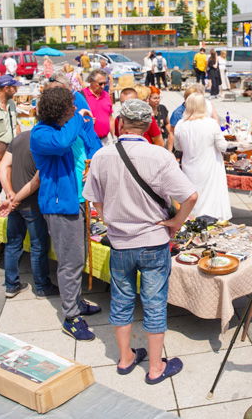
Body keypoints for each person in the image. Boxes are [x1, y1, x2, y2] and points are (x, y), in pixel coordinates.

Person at [83, 99, 198, 385]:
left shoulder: (102, 155)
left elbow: (94, 199)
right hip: (153, 241)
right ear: (148, 125)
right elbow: (190, 196)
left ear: (120, 122)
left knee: (120, 300)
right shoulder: (159, 156)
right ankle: (156, 367)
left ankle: (125, 358)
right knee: (154, 302)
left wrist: (109, 218)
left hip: (120, 242)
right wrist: (176, 222)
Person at [30, 86, 102, 341]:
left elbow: (89, 148)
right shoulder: (41, 133)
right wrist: (77, 118)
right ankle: (71, 317)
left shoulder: (67, 128)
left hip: (78, 201)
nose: (74, 108)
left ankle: (77, 301)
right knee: (70, 263)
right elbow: (61, 145)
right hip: (61, 206)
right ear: (59, 110)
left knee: (78, 258)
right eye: (70, 106)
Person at [0, 128, 57, 299]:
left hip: (17, 202)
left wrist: (10, 193)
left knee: (13, 244)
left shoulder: (20, 137)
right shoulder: (44, 140)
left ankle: (11, 284)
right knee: (38, 246)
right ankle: (41, 285)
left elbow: (3, 165)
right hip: (31, 203)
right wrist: (13, 198)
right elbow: (37, 179)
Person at [174, 94, 232, 221]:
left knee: (193, 196)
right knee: (211, 196)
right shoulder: (211, 124)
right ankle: (212, 220)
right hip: (209, 165)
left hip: (189, 165)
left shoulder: (180, 124)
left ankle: (192, 219)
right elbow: (222, 146)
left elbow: (178, 147)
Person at [82, 70, 114, 145]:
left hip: (105, 140)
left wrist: (114, 137)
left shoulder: (106, 95)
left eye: (105, 83)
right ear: (91, 81)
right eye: (100, 84)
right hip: (89, 140)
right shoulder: (82, 96)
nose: (103, 86)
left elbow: (110, 117)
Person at [147, 86, 172, 151]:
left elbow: (167, 123)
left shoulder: (162, 108)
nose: (157, 100)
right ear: (148, 99)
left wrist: (170, 135)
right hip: (152, 142)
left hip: (164, 139)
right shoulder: (146, 112)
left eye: (159, 98)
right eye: (155, 98)